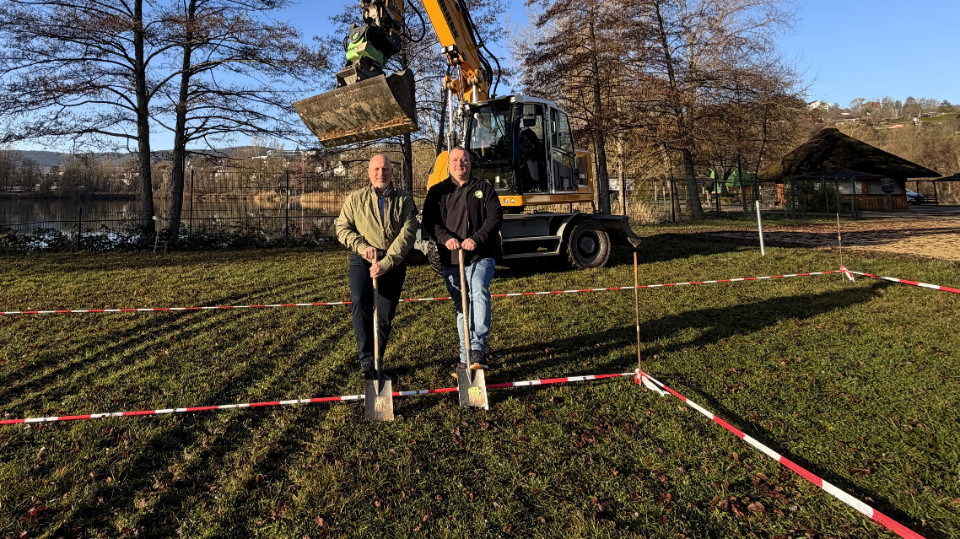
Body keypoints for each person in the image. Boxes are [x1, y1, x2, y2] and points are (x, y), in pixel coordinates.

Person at [336, 154, 419, 380]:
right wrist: (362, 247)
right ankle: (366, 362)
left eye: (385, 169)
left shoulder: (404, 199)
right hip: (362, 260)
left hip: (393, 262)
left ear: (392, 172)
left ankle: (376, 360)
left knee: (384, 315)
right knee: (361, 302)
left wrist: (387, 262)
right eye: (376, 169)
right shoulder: (355, 199)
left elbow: (409, 232)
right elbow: (343, 228)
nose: (380, 173)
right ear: (369, 172)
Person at [422, 147, 503, 376]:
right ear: (449, 164)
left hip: (480, 255)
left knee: (478, 289)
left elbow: (495, 217)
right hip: (451, 258)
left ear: (470, 163)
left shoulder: (484, 189)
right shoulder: (437, 192)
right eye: (456, 160)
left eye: (464, 160)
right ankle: (465, 357)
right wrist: (446, 239)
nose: (460, 164)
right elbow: (430, 221)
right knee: (462, 306)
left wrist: (476, 239)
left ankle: (477, 349)